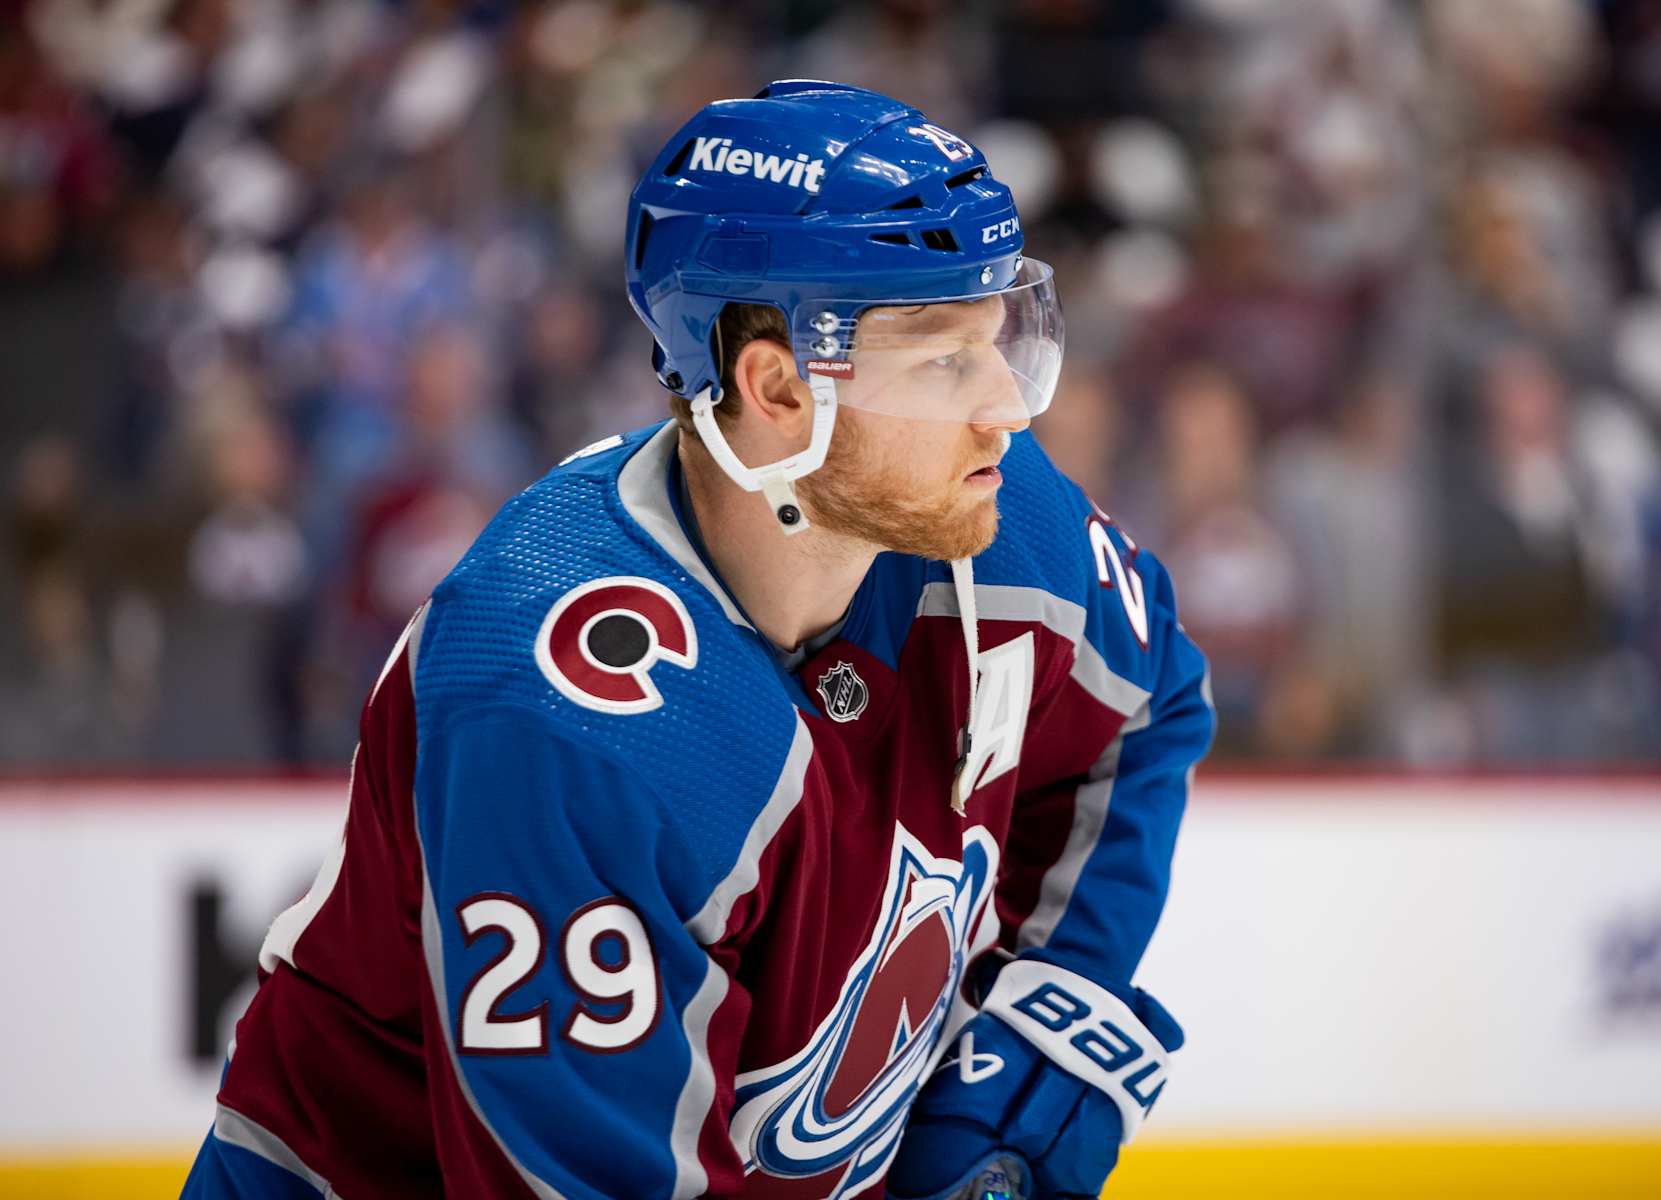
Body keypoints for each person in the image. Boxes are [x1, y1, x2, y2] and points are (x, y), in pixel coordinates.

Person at [180, 80, 1215, 1200]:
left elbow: (1147, 702)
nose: (1007, 407)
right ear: (777, 387)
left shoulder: (996, 523)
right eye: (941, 360)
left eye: (999, 338)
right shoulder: (568, 715)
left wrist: (1033, 1012)